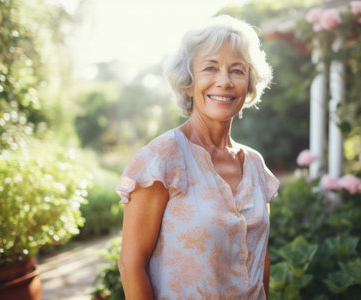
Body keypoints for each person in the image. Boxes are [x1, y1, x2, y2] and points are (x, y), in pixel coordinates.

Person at [116, 14, 280, 299]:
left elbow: (259, 260)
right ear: (189, 83)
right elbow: (131, 265)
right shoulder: (162, 159)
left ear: (249, 85)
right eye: (210, 68)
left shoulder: (255, 165)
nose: (224, 81)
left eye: (237, 70)